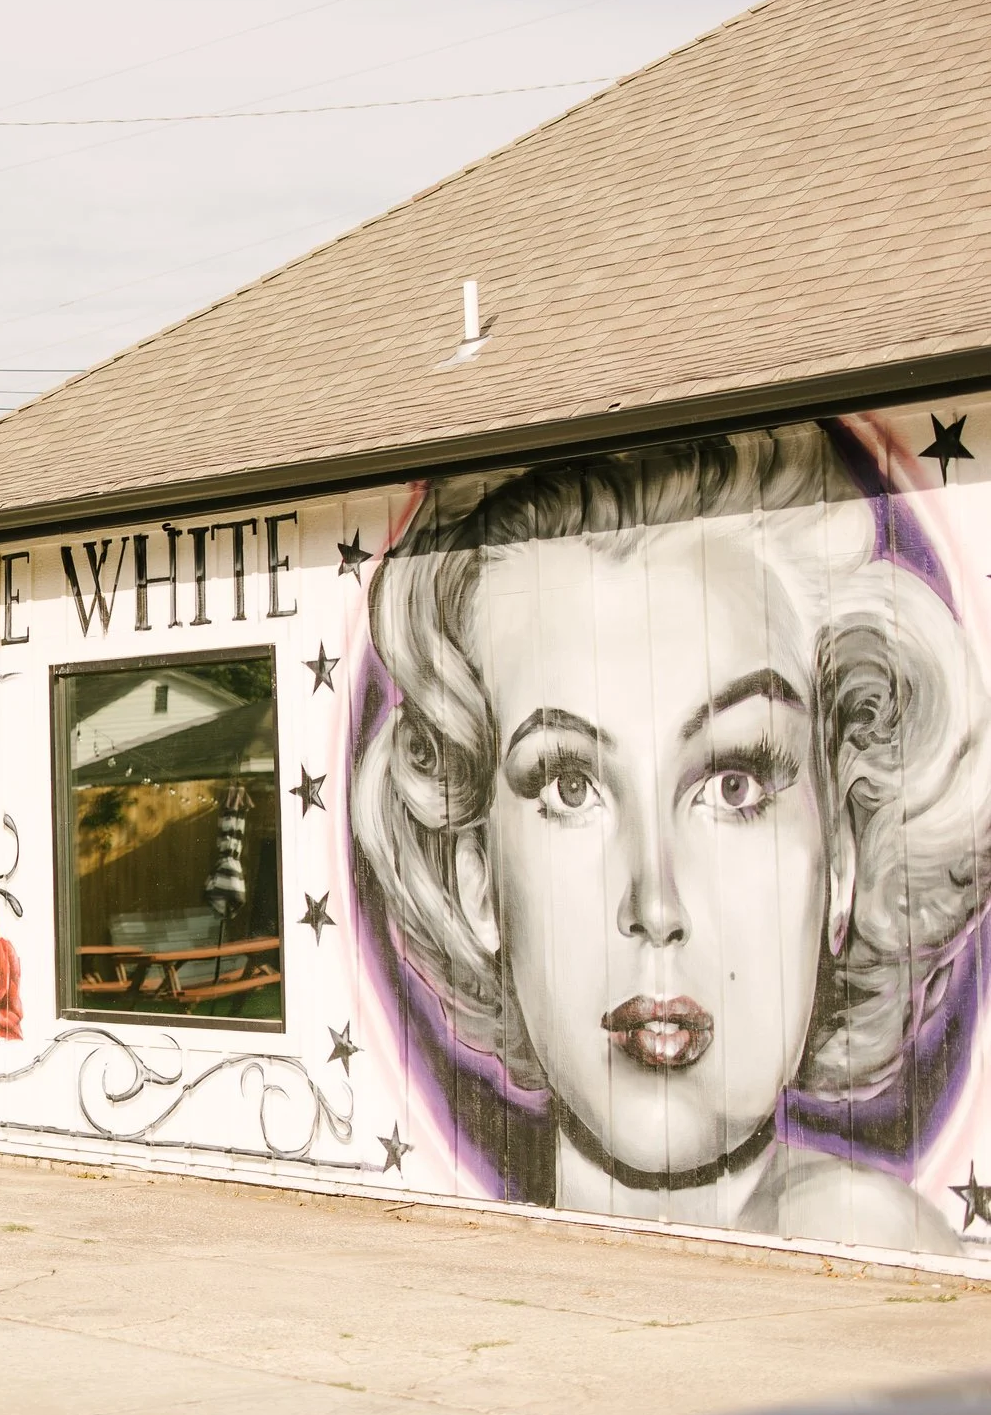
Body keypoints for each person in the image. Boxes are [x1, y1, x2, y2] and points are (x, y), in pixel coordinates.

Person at [351, 424, 985, 1254]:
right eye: (569, 787)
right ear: (478, 884)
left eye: (736, 782)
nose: (656, 903)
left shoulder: (876, 1240)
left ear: (842, 860)